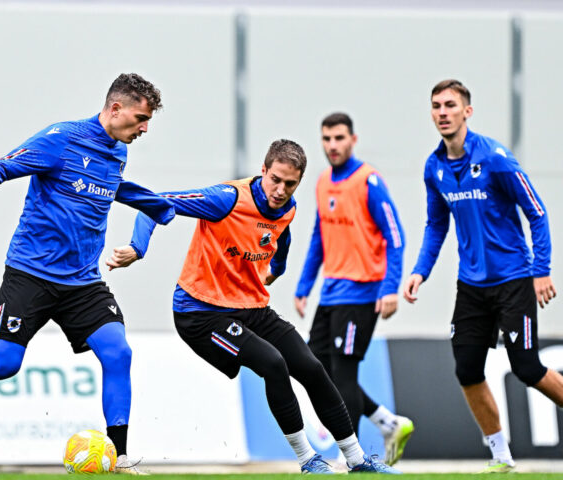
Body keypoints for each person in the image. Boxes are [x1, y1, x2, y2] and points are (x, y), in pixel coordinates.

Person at [0, 73, 174, 474]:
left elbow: (112, 188)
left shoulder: (118, 151)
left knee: (118, 352)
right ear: (115, 109)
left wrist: (152, 210)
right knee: (4, 365)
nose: (144, 128)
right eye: (140, 118)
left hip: (82, 283)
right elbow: (7, 163)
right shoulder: (61, 138)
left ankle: (120, 455)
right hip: (30, 274)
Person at [108, 139, 399, 474]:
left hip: (250, 306)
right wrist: (136, 247)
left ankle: (357, 460)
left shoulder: (288, 208)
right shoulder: (226, 199)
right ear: (263, 170)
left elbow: (282, 242)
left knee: (312, 368)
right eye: (275, 179)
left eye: (290, 184)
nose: (280, 190)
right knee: (273, 364)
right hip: (200, 313)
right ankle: (309, 460)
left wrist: (276, 270)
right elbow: (155, 204)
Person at [403, 79, 563, 473]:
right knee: (467, 369)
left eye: (450, 105)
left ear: (467, 112)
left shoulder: (494, 158)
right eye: (436, 106)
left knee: (526, 367)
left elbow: (537, 213)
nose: (442, 112)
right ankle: (501, 457)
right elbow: (436, 225)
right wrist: (420, 271)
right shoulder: (434, 167)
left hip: (513, 281)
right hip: (471, 287)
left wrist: (540, 271)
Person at [294, 113, 413, 466]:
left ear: (353, 140)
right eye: (326, 139)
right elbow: (319, 236)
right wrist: (304, 285)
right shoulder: (321, 182)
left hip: (362, 293)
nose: (332, 145)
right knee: (314, 368)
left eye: (339, 138)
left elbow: (395, 236)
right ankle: (387, 423)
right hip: (330, 294)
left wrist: (390, 288)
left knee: (344, 372)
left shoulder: (368, 181)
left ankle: (354, 459)